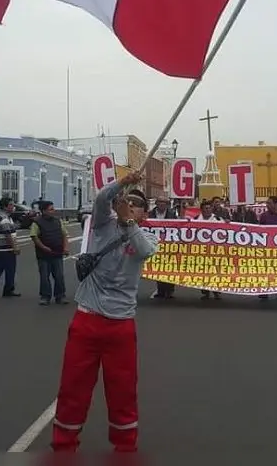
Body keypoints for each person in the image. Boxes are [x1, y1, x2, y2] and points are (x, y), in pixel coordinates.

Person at [51, 173, 159, 453]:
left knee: (123, 389)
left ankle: (125, 445)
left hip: (121, 324)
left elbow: (143, 252)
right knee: (73, 386)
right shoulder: (102, 224)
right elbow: (101, 198)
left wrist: (129, 222)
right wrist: (123, 182)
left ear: (145, 215)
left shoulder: (146, 236)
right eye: (128, 201)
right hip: (87, 319)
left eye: (138, 205)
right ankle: (64, 444)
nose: (131, 205)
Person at [31, 200, 70, 306]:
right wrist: (43, 247)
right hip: (43, 255)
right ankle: (45, 296)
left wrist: (66, 248)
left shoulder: (58, 221)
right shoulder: (37, 222)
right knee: (44, 276)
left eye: (53, 209)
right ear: (44, 211)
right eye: (51, 209)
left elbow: (64, 235)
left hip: (57, 253)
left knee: (59, 275)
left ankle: (60, 296)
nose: (54, 211)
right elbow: (34, 237)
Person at [148, 197, 177, 299]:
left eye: (164, 202)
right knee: (158, 267)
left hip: (168, 245)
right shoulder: (150, 214)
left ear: (167, 204)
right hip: (155, 243)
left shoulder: (172, 215)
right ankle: (160, 290)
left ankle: (169, 290)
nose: (162, 204)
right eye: (160, 202)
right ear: (156, 203)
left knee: (169, 268)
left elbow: (177, 227)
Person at [194, 200, 224, 300]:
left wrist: (227, 223)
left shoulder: (218, 219)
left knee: (215, 272)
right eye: (205, 208)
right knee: (203, 272)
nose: (207, 210)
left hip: (215, 251)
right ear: (201, 210)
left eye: (209, 208)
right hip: (201, 251)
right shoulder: (195, 219)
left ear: (212, 209)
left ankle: (216, 291)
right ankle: (205, 291)